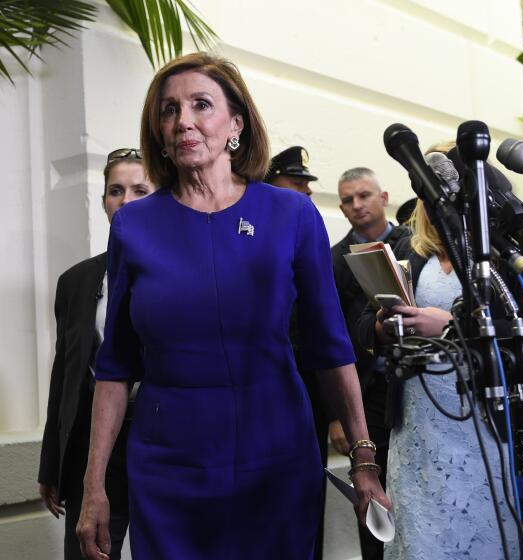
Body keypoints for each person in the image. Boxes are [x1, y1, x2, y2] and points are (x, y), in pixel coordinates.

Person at [75, 52, 388, 560]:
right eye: (169, 110)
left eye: (202, 104)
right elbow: (114, 367)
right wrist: (94, 489)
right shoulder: (133, 227)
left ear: (235, 123)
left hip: (278, 459)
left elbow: (329, 346)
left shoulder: (292, 214)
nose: (184, 121)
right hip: (167, 467)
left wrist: (363, 459)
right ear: (158, 129)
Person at [355, 194, 523, 558]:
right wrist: (383, 327)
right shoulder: (410, 250)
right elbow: (360, 324)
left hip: (496, 418)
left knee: (501, 525)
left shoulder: (508, 253)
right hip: (424, 422)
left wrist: (451, 325)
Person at [38, 148, 157, 559]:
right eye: (115, 190)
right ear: (104, 200)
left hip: (164, 438)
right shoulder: (76, 281)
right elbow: (65, 376)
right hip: (94, 446)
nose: (126, 201)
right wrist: (51, 464)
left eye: (141, 189)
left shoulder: (186, 269)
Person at [329, 167, 412, 560]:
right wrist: (336, 415)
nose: (356, 205)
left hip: (416, 389)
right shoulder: (333, 261)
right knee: (371, 496)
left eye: (364, 195)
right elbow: (328, 340)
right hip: (366, 395)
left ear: (384, 197)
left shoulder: (415, 244)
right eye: (347, 199)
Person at [265, 144, 328, 560]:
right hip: (266, 391)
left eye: (307, 184)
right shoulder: (255, 233)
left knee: (308, 501)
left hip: (311, 390)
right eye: (297, 182)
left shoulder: (306, 226)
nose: (306, 192)